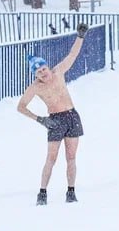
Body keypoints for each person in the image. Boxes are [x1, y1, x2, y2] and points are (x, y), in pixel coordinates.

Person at [17, 23, 89, 205]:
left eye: (43, 69)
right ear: (36, 74)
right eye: (39, 71)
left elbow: (73, 55)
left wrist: (80, 37)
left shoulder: (58, 72)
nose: (43, 73)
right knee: (51, 158)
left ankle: (71, 192)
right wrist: (40, 119)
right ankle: (42, 193)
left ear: (47, 67)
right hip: (55, 121)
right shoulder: (35, 87)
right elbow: (21, 106)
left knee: (71, 157)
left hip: (72, 117)